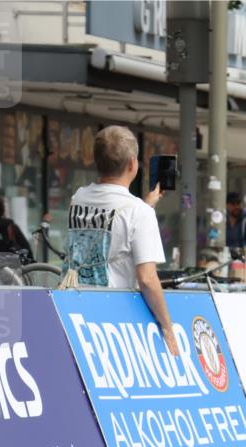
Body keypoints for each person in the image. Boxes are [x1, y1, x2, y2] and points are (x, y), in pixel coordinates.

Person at [63, 125, 178, 356]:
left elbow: (110, 220)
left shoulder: (78, 198)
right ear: (132, 164)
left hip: (72, 310)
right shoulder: (138, 213)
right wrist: (167, 327)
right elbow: (147, 279)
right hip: (112, 321)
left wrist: (145, 205)